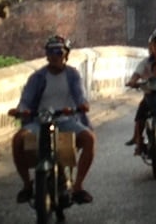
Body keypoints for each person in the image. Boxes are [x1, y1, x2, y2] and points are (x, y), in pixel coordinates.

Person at [8, 36, 97, 205]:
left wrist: (82, 105)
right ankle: (27, 185)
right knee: (18, 140)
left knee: (89, 139)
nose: (55, 56)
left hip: (65, 120)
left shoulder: (72, 75)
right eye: (51, 52)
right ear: (46, 55)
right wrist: (21, 110)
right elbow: (26, 100)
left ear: (66, 55)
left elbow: (80, 96)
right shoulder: (37, 77)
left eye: (59, 52)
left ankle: (78, 186)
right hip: (39, 120)